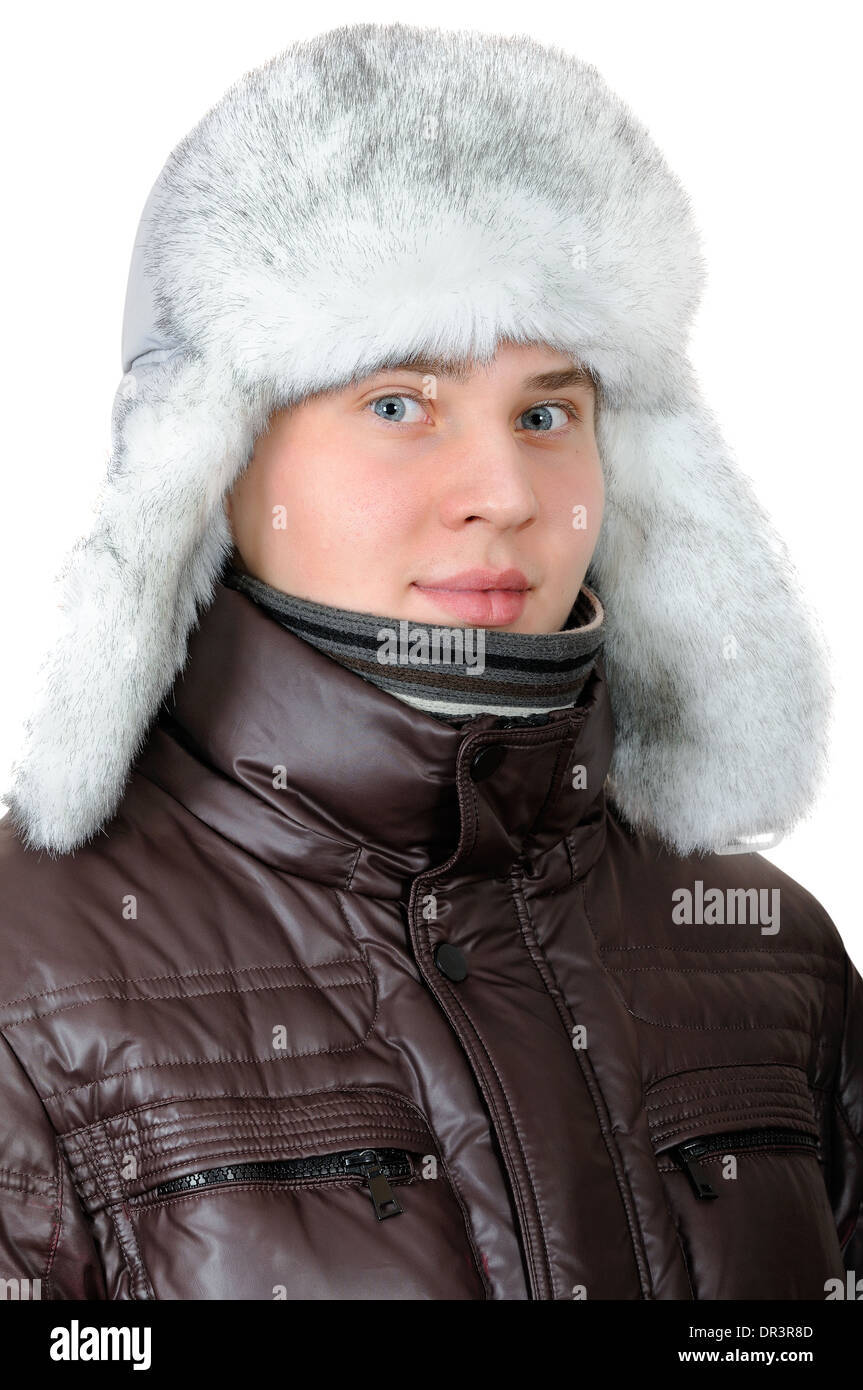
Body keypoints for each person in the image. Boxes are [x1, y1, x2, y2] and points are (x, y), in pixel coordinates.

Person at [0, 20, 860, 1303]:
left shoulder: (768, 953)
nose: (503, 491)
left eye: (546, 411)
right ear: (213, 455)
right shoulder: (26, 974)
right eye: (398, 404)